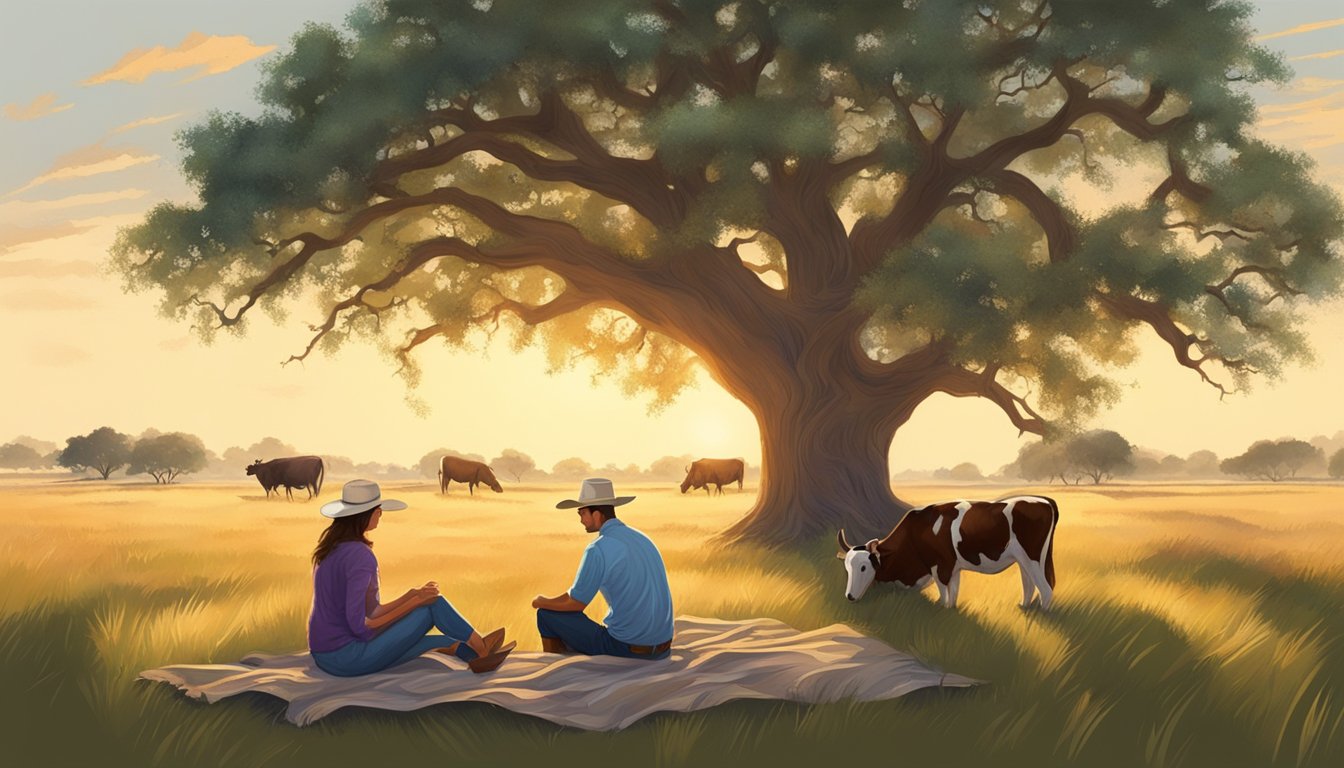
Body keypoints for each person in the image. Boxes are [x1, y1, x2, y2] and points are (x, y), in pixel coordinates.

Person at [308, 479, 514, 676]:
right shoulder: (360, 555)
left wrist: (411, 595)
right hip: (348, 658)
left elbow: (372, 612)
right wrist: (417, 603)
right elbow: (361, 626)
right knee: (434, 605)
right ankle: (481, 646)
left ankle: (474, 657)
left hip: (325, 656)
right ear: (364, 515)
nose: (380, 514)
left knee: (440, 640)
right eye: (377, 510)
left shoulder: (329, 551)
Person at [532, 478, 674, 660]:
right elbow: (575, 595)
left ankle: (555, 667)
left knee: (546, 615)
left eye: (582, 513)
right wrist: (551, 599)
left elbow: (576, 603)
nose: (581, 520)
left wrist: (541, 602)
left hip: (625, 648)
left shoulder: (598, 548)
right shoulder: (643, 538)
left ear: (597, 515)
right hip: (663, 648)